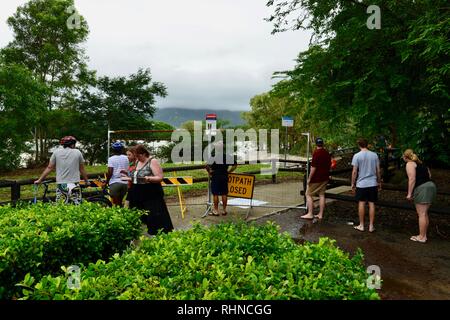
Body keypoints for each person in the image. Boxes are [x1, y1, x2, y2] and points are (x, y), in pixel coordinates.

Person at [121, 144, 173, 235]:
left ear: (144, 153)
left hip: (151, 193)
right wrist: (129, 177)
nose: (137, 158)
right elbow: (137, 175)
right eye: (136, 156)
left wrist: (148, 178)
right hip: (138, 192)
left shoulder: (153, 161)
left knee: (155, 215)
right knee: (140, 214)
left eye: (138, 156)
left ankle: (160, 234)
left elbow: (160, 177)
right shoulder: (137, 161)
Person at [35, 136, 89, 204]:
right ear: (72, 144)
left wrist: (40, 180)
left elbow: (49, 167)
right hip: (74, 183)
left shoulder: (56, 152)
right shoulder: (77, 152)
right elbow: (81, 169)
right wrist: (86, 181)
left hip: (61, 184)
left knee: (61, 206)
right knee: (76, 206)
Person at [403, 149, 437, 243]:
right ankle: (424, 236)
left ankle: (421, 237)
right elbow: (429, 175)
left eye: (403, 157)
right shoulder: (422, 164)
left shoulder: (409, 164)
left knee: (421, 214)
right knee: (424, 213)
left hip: (423, 188)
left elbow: (412, 179)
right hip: (431, 186)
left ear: (406, 157)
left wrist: (409, 193)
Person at [351, 138, 382, 233]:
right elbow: (378, 170)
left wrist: (353, 183)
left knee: (361, 203)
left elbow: (355, 171)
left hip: (361, 184)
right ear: (367, 144)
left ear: (359, 145)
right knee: (372, 203)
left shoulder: (357, 156)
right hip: (372, 183)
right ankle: (371, 226)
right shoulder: (374, 155)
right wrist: (379, 181)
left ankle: (361, 225)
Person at [301, 137, 332, 220]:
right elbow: (329, 164)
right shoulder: (326, 153)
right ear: (323, 144)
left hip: (316, 178)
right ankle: (320, 214)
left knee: (308, 194)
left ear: (316, 144)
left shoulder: (316, 153)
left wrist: (309, 178)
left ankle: (310, 213)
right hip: (325, 177)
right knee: (322, 195)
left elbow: (313, 167)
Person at [205, 141, 237, 216]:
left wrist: (210, 172)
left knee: (215, 194)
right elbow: (235, 165)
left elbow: (206, 166)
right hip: (224, 175)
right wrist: (229, 171)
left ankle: (215, 210)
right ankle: (224, 210)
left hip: (215, 176)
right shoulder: (228, 156)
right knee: (224, 193)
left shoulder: (213, 156)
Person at [106, 141, 129, 207]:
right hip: (125, 182)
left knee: (116, 204)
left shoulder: (111, 159)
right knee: (120, 202)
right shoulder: (126, 158)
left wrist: (107, 182)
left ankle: (119, 215)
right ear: (121, 149)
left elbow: (110, 172)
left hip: (115, 182)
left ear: (113, 150)